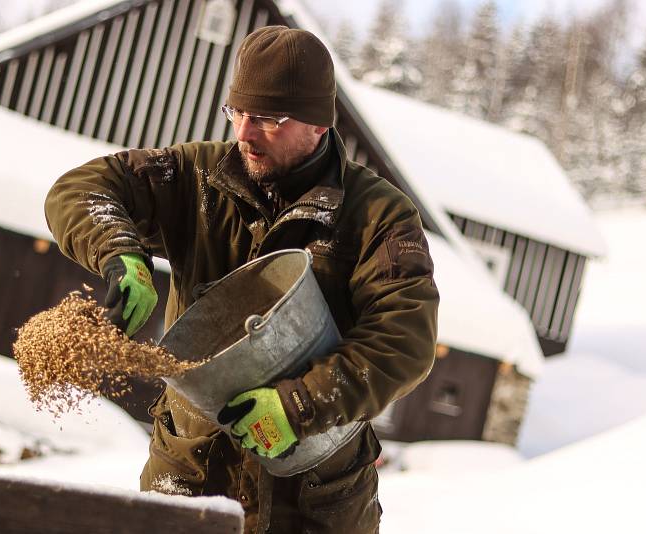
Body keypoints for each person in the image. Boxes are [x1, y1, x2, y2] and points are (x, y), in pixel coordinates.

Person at [46, 25, 438, 533]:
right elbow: (81, 189)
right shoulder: (198, 178)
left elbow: (405, 341)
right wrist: (121, 253)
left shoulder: (377, 216)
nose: (246, 134)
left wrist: (299, 403)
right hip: (190, 475)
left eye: (270, 119)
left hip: (313, 498)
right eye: (238, 113)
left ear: (319, 124)